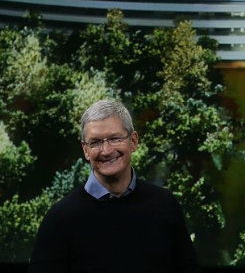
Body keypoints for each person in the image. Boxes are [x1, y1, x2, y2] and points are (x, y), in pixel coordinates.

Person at [29, 99, 199, 273]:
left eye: (115, 139)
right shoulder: (60, 219)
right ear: (85, 150)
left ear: (133, 141)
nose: (106, 150)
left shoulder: (165, 204)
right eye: (95, 142)